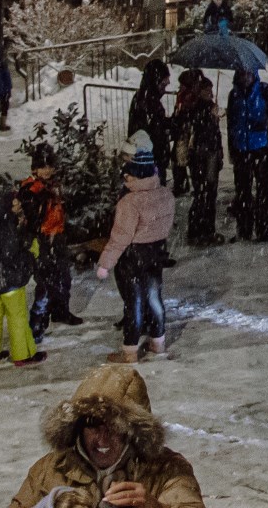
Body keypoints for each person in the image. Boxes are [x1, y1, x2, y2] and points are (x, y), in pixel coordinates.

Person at [6, 363, 206, 508]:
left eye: (114, 427)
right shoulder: (50, 470)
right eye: (93, 424)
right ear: (78, 426)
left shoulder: (168, 470)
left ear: (133, 431)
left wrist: (154, 507)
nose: (103, 438)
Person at [97, 131, 177, 363]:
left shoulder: (130, 202)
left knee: (134, 304)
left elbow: (120, 237)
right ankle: (157, 342)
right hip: (156, 253)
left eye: (128, 174)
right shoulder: (165, 194)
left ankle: (130, 351)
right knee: (154, 299)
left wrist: (105, 263)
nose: (125, 178)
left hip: (133, 257)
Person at [18, 143, 83, 334]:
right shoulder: (30, 189)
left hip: (58, 236)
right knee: (45, 281)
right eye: (42, 167)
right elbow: (31, 220)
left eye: (49, 166)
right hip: (42, 240)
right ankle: (38, 320)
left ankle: (61, 310)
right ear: (34, 169)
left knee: (63, 276)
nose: (47, 171)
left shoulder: (54, 186)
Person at [0, 186, 45, 367]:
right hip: (11, 282)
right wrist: (30, 254)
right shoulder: (6, 228)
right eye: (13, 201)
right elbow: (11, 255)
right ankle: (23, 355)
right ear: (3, 205)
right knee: (18, 317)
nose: (18, 203)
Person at [226, 66, 268, 243]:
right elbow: (231, 123)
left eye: (248, 74)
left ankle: (263, 229)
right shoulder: (234, 95)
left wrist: (266, 127)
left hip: (262, 149)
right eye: (242, 74)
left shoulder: (266, 92)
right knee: (242, 191)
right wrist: (232, 149)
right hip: (241, 149)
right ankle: (244, 229)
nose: (245, 77)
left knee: (263, 190)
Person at [172, 68, 224, 247]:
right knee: (203, 193)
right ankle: (199, 231)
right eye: (207, 90)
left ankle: (205, 230)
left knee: (207, 193)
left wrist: (219, 152)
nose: (210, 93)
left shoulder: (206, 108)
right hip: (202, 155)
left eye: (211, 90)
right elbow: (198, 132)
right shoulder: (196, 108)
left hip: (209, 154)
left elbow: (216, 134)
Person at [128, 58, 173, 188]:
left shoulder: (145, 98)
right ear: (155, 81)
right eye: (163, 84)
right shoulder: (148, 101)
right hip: (150, 162)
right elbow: (153, 130)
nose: (165, 89)